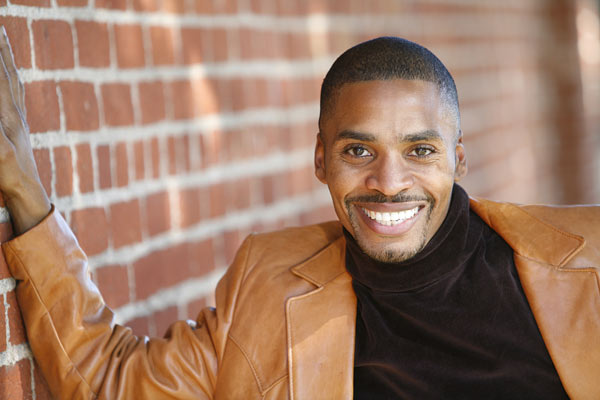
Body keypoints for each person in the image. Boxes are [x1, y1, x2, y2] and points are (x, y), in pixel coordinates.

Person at [0, 28, 598, 399]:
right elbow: (110, 384)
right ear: (320, 160)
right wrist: (24, 190)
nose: (389, 184)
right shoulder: (266, 285)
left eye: (420, 150)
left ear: (458, 159)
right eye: (358, 150)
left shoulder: (587, 266)